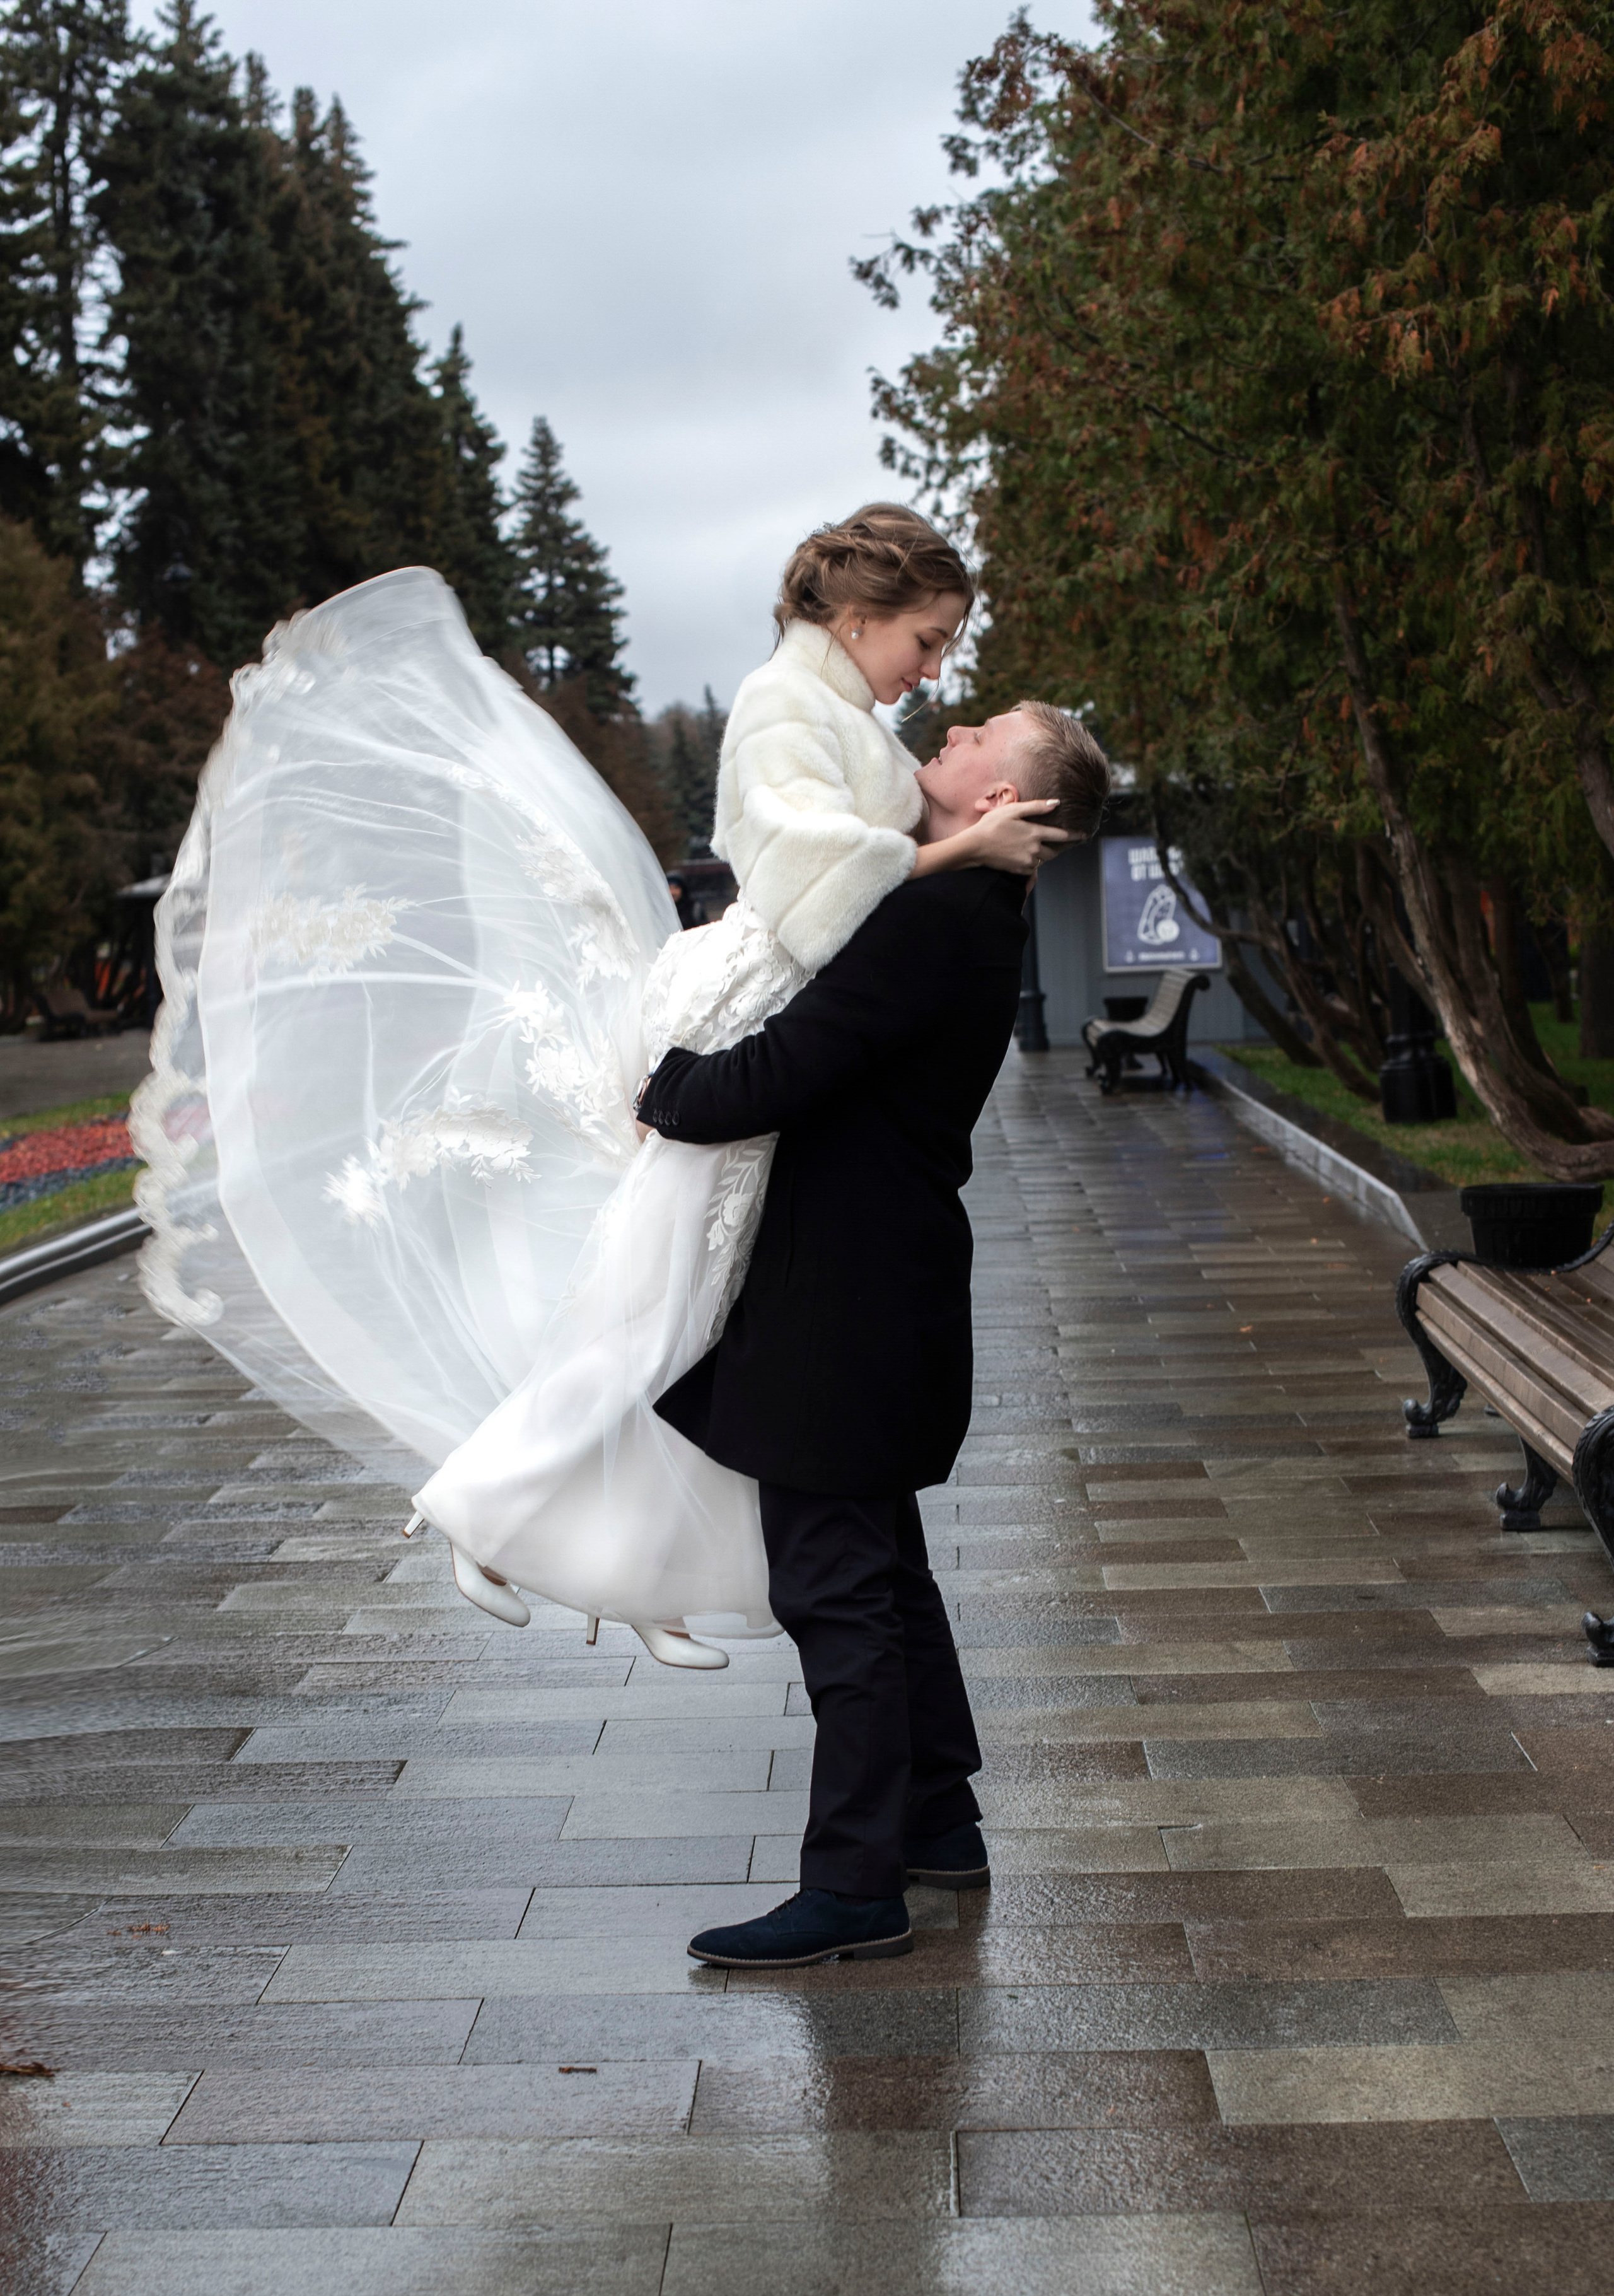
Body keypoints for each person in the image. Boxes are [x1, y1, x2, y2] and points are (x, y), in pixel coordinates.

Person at [130, 505, 1103, 1680]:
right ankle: (497, 1516)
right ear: (857, 620)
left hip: (768, 1037)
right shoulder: (789, 709)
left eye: (954, 660)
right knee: (647, 1296)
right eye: (931, 642)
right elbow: (809, 875)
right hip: (730, 1007)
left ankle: (629, 1567)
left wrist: (964, 844)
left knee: (676, 1311)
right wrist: (957, 854)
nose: (942, 681)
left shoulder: (854, 725)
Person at [629, 711, 1107, 1966]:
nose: (944, 729)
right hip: (874, 1288)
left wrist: (658, 1087)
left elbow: (791, 1064)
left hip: (839, 1305)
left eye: (975, 731)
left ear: (996, 791)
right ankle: (936, 1821)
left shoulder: (936, 919)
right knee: (881, 1570)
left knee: (833, 1587)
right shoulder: (955, 906)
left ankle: (853, 1885)